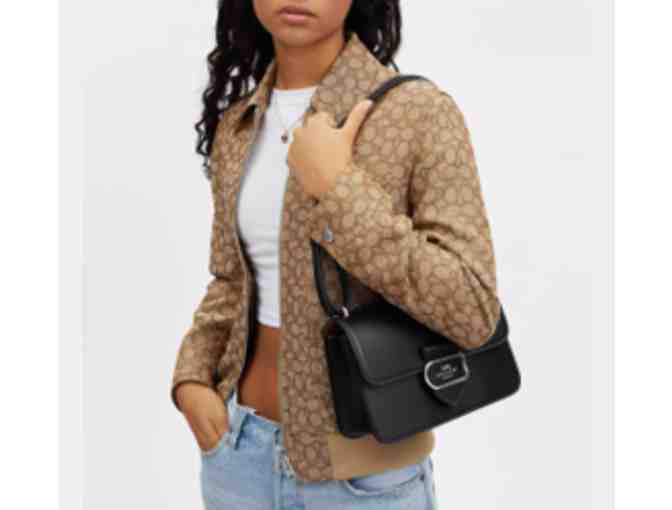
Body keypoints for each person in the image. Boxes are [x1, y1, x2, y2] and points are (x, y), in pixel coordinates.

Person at [171, 1, 502, 508]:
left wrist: (337, 187)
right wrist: (191, 380)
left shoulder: (418, 113)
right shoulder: (238, 126)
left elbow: (472, 307)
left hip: (365, 480)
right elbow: (231, 280)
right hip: (236, 462)